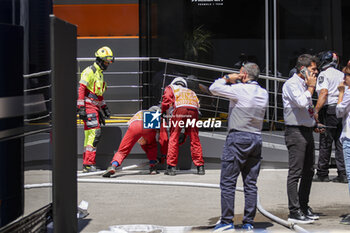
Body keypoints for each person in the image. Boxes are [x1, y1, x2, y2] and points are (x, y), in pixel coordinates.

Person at [209, 63, 268, 231]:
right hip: (256, 137)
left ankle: (227, 221)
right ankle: (248, 221)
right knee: (250, 183)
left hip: (238, 137)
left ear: (243, 74)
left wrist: (228, 78)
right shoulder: (263, 93)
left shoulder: (239, 90)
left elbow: (214, 88)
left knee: (228, 182)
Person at [282, 54, 321, 224]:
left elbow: (308, 109)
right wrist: (311, 88)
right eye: (313, 69)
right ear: (302, 69)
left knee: (309, 171)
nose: (316, 72)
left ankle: (304, 206)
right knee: (295, 172)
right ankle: (294, 210)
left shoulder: (304, 84)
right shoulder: (292, 84)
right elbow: (300, 102)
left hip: (306, 130)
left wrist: (314, 122)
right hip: (295, 132)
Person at [102, 106, 168, 177]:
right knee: (151, 145)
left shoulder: (140, 112)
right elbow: (163, 138)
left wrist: (139, 138)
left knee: (123, 150)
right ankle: (153, 167)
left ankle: (113, 165)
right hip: (147, 129)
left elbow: (133, 126)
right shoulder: (155, 116)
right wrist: (163, 155)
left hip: (133, 127)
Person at [77, 46, 114, 173]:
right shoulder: (90, 71)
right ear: (99, 60)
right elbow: (81, 89)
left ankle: (87, 164)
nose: (107, 64)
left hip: (94, 107)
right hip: (88, 106)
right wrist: (81, 108)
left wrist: (104, 107)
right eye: (106, 61)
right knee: (94, 134)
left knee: (90, 135)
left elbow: (98, 94)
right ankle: (88, 164)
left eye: (108, 62)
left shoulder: (99, 74)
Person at [313, 51, 347, 183]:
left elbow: (323, 92)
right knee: (340, 142)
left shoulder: (323, 74)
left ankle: (322, 173)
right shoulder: (341, 74)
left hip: (329, 110)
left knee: (326, 141)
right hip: (341, 109)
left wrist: (316, 110)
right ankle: (343, 173)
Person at [161, 77, 205, 176]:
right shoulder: (191, 92)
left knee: (174, 137)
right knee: (195, 139)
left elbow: (167, 99)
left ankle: (171, 167)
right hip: (193, 111)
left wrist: (163, 111)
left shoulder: (171, 87)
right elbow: (197, 106)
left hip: (180, 110)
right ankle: (200, 167)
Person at [336, 64, 350, 224]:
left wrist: (340, 93)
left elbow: (339, 111)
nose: (343, 79)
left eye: (346, 76)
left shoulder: (348, 93)